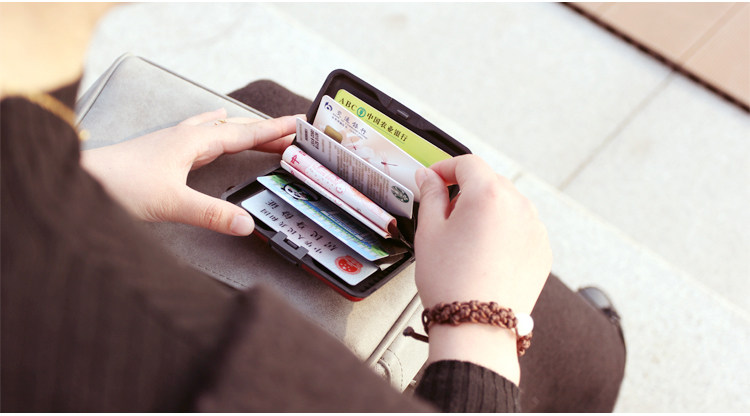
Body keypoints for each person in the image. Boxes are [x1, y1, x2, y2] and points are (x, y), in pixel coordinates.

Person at [0, 3, 625, 412]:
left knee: (267, 105)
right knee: (584, 351)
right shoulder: (188, 350)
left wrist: (74, 175)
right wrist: (484, 323)